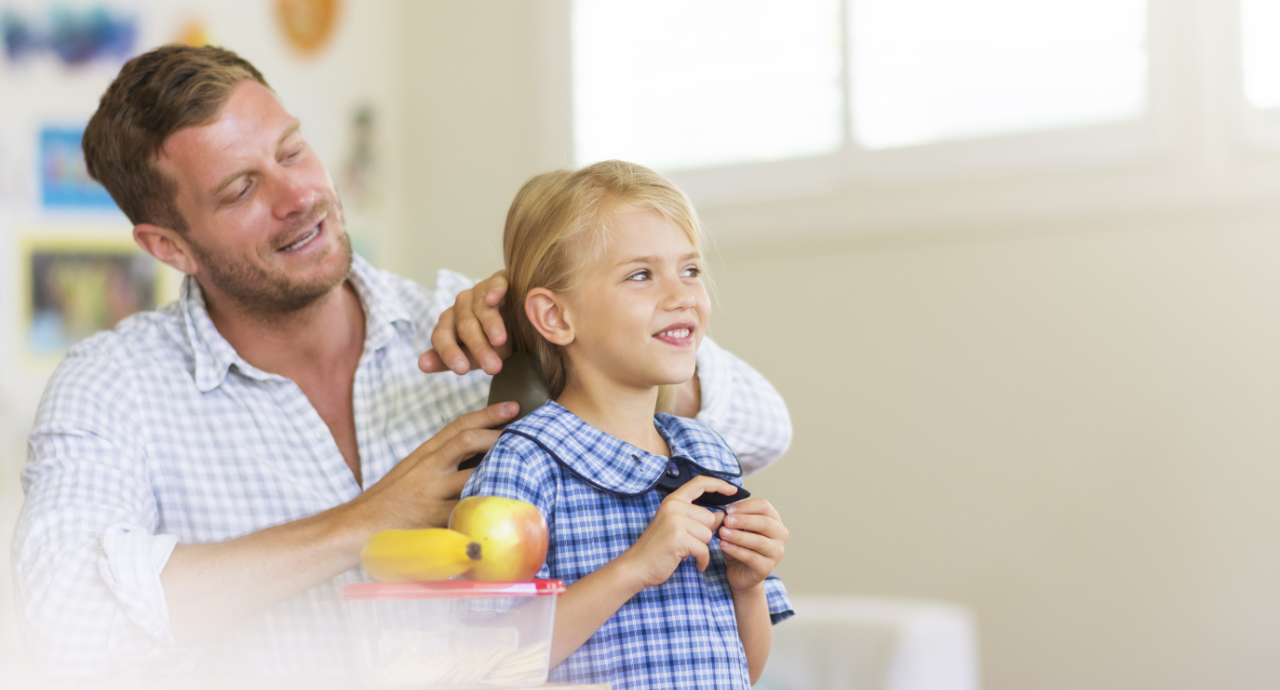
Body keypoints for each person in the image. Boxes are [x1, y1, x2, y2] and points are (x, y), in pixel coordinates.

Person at [10, 45, 793, 678]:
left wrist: (570, 334)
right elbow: (63, 626)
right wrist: (361, 524)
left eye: (292, 151)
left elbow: (762, 428)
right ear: (167, 246)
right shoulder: (112, 388)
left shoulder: (476, 330)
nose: (298, 197)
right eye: (242, 187)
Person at [461, 161, 792, 689]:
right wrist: (634, 566)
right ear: (555, 317)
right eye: (641, 275)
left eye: (690, 271)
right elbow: (482, 665)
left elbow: (741, 671)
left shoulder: (707, 455)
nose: (682, 295)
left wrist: (748, 585)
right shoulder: (525, 464)